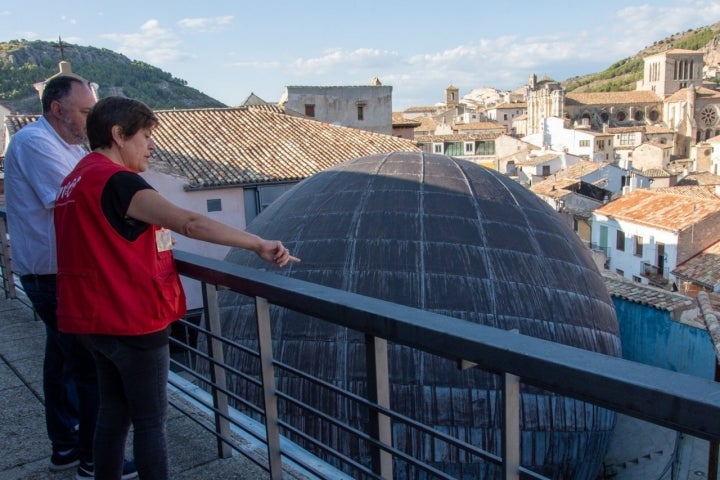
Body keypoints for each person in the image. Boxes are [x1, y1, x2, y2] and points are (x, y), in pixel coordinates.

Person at [54, 96, 300, 480]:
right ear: (119, 135)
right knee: (150, 422)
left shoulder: (76, 179)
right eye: (146, 135)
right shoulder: (118, 182)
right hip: (131, 319)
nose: (152, 146)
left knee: (113, 413)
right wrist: (257, 244)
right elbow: (190, 223)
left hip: (92, 320)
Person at [4, 75, 137, 480]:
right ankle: (94, 461)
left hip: (51, 271)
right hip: (52, 274)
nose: (90, 117)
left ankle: (65, 447)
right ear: (57, 110)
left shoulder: (66, 145)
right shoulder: (34, 144)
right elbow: (73, 196)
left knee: (62, 361)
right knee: (91, 366)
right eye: (84, 111)